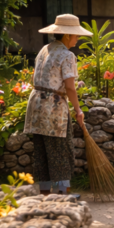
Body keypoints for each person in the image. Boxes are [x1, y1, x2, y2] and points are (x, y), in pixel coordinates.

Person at [23, 14, 90, 195]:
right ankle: (62, 195)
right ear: (67, 35)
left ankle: (45, 193)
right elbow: (70, 87)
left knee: (42, 150)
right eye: (76, 36)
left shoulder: (44, 49)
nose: (77, 39)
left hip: (36, 104)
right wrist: (78, 110)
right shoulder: (67, 55)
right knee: (61, 151)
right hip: (53, 106)